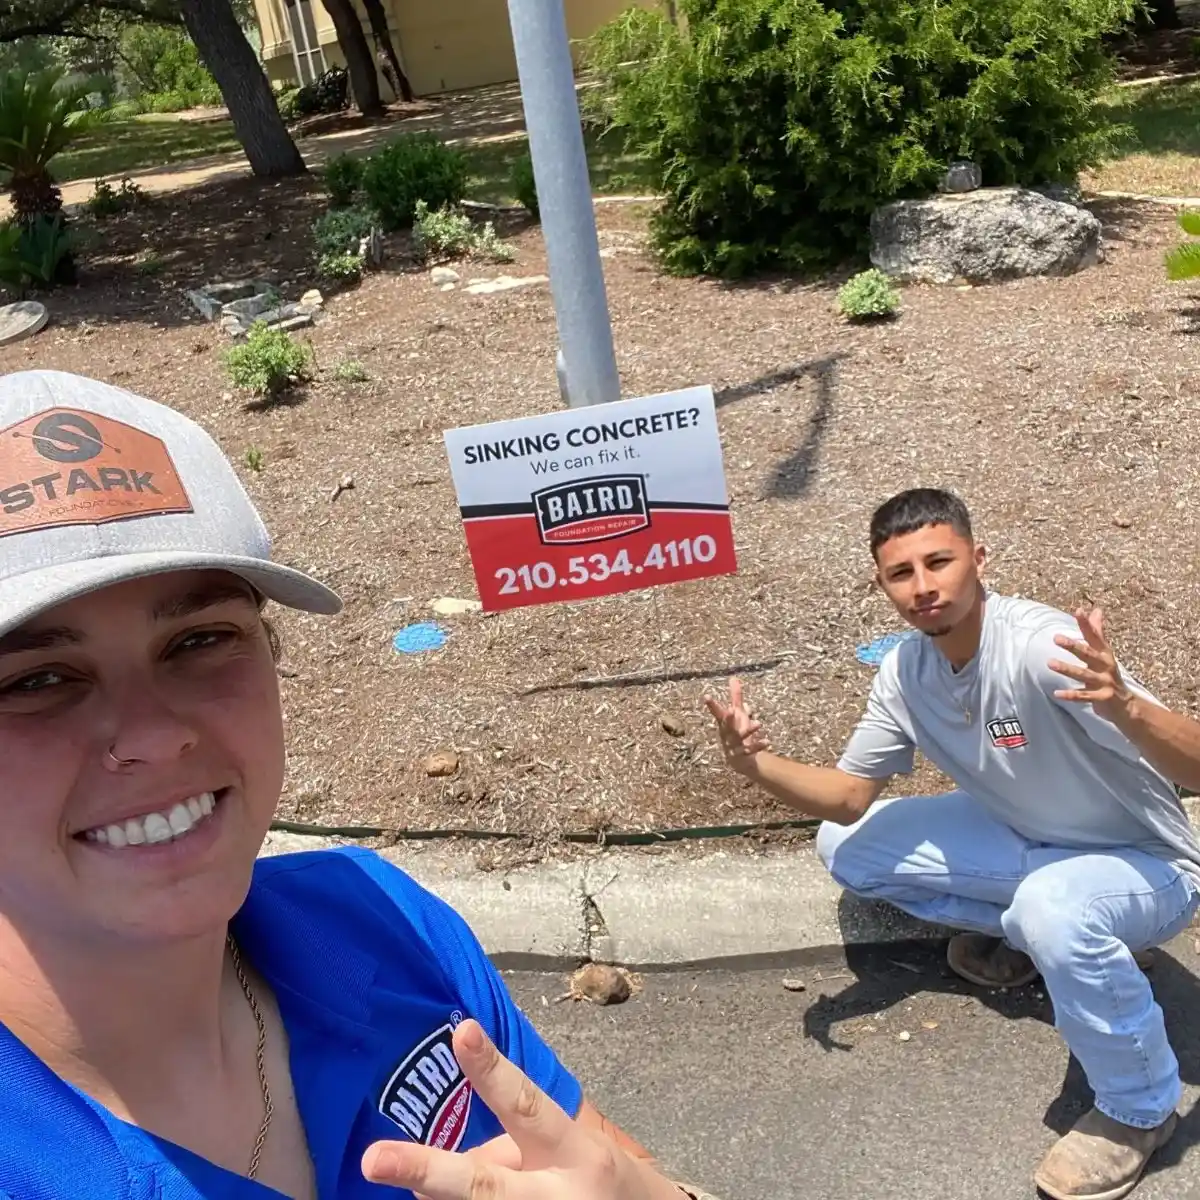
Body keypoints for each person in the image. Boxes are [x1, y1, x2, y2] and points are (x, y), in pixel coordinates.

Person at [0, 368, 719, 1200]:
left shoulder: (378, 921)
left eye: (198, 641)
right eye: (35, 682)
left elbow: (609, 1165)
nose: (157, 737)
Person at [706, 487, 1200, 1200]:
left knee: (1053, 911)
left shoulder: (1042, 648)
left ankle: (1138, 1108)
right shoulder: (906, 675)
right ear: (883, 587)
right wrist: (753, 764)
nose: (924, 586)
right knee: (848, 848)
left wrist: (1123, 705)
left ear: (979, 558)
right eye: (902, 573)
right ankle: (1059, 942)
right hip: (1031, 840)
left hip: (1147, 866)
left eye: (939, 561)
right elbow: (848, 798)